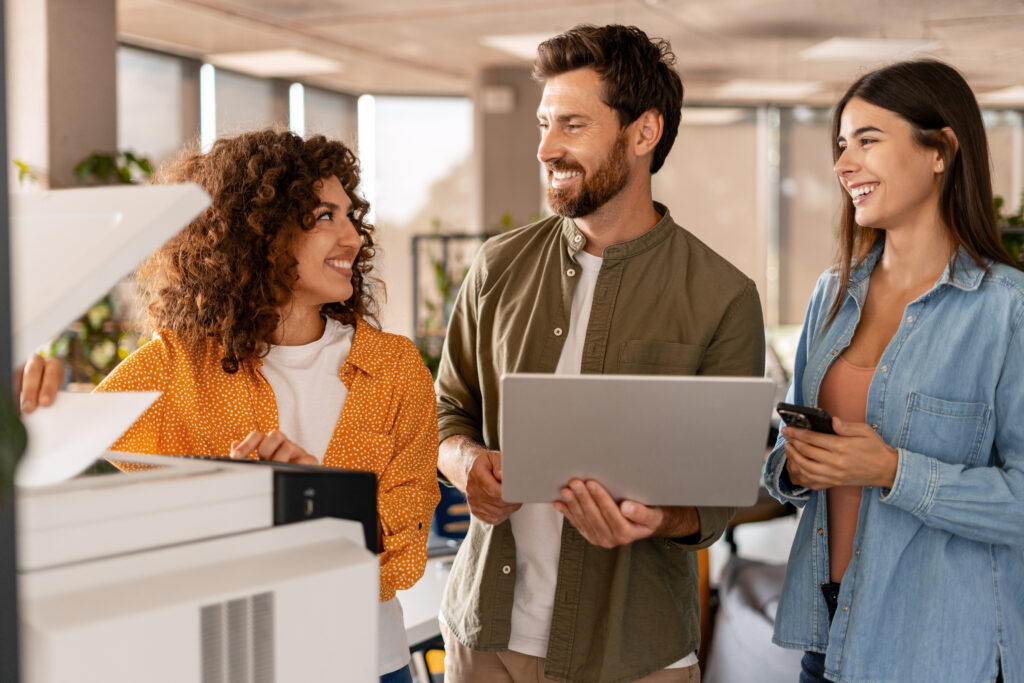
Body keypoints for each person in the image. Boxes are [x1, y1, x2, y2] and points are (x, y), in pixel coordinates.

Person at [23, 130, 439, 683]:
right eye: (324, 216)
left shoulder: (394, 367)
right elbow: (77, 476)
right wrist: (33, 414)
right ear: (261, 232)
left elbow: (406, 548)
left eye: (349, 216)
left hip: (368, 663)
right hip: (230, 664)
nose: (352, 238)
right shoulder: (176, 363)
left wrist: (321, 504)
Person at [435, 24, 765, 683]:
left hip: (633, 655)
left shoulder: (723, 296)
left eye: (573, 125)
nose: (546, 148)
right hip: (484, 642)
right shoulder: (497, 266)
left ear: (644, 133)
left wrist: (658, 518)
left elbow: (718, 497)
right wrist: (464, 462)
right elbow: (449, 410)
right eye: (544, 124)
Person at [763, 60, 1023, 683]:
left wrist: (891, 471)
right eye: (841, 145)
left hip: (942, 654)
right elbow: (787, 457)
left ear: (941, 150)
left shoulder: (1007, 310)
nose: (843, 163)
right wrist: (796, 465)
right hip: (829, 640)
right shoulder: (831, 293)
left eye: (868, 140)